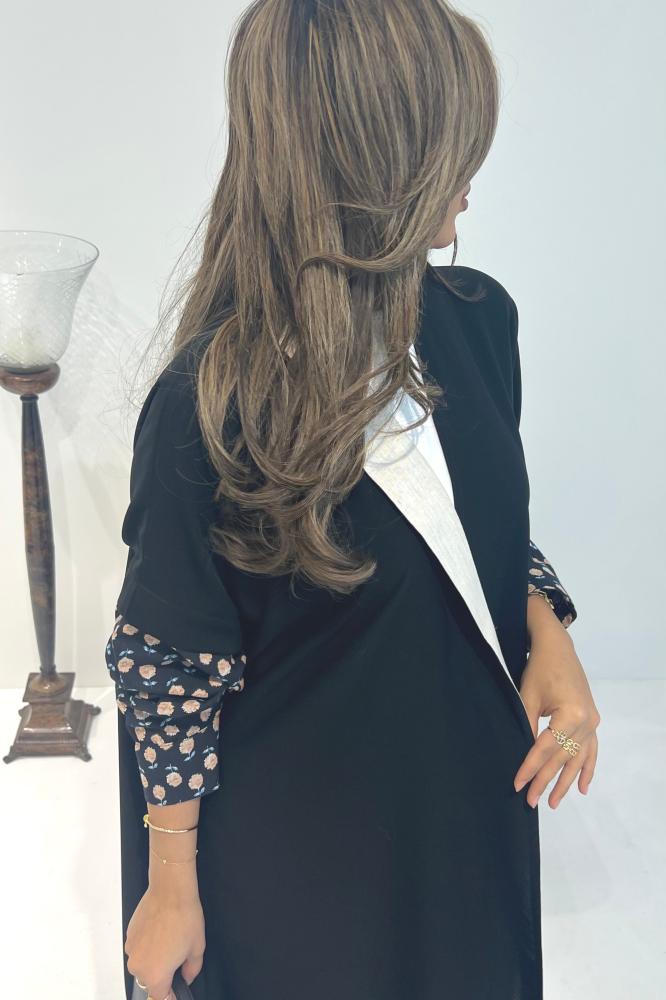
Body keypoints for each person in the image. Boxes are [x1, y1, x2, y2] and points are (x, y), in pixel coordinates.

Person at [105, 2, 601, 998]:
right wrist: (170, 885)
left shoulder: (478, 321)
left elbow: (478, 518)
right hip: (296, 851)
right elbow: (170, 663)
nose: (472, 173)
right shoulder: (213, 404)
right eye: (448, 145)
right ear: (373, 163)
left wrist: (546, 629)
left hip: (462, 805)